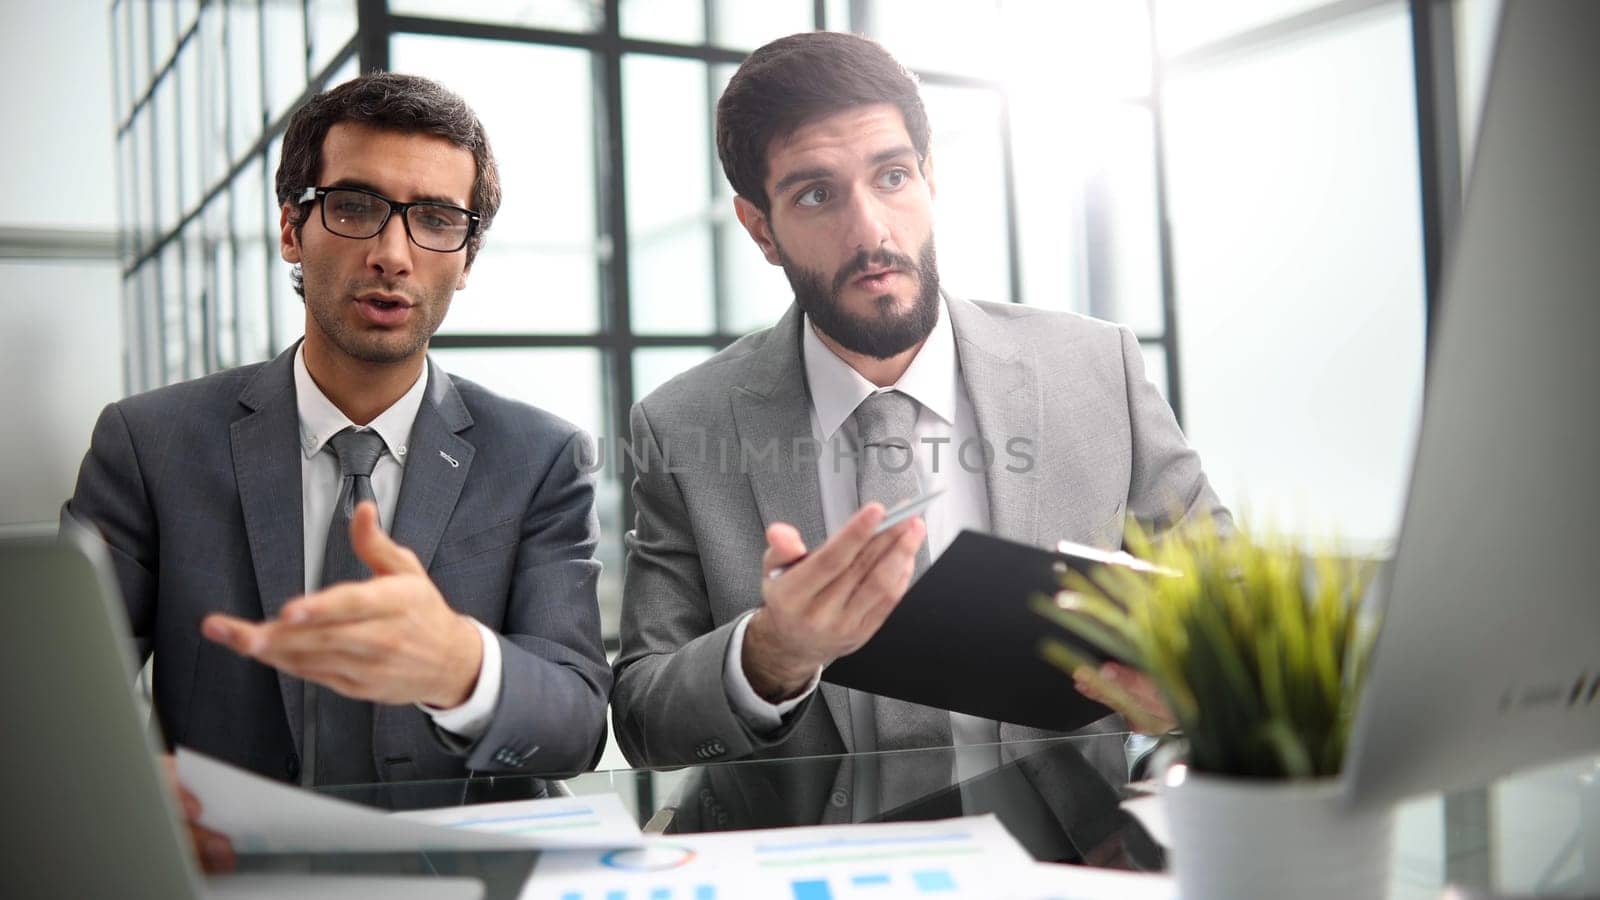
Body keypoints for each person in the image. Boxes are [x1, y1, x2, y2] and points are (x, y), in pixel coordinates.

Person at [612, 32, 1228, 782]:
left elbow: (1231, 604)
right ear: (760, 229)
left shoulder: (1097, 370)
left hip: (1071, 862)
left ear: (931, 178)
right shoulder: (681, 427)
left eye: (893, 176)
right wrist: (770, 653)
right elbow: (643, 720)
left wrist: (1192, 687)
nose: (870, 230)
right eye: (816, 194)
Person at [63, 74, 610, 865]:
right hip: (227, 877)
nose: (392, 255)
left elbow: (577, 725)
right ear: (293, 227)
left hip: (453, 881)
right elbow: (58, 697)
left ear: (466, 258)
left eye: (434, 220)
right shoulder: (150, 443)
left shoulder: (539, 458)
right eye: (354, 207)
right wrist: (129, 793)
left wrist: (462, 666)